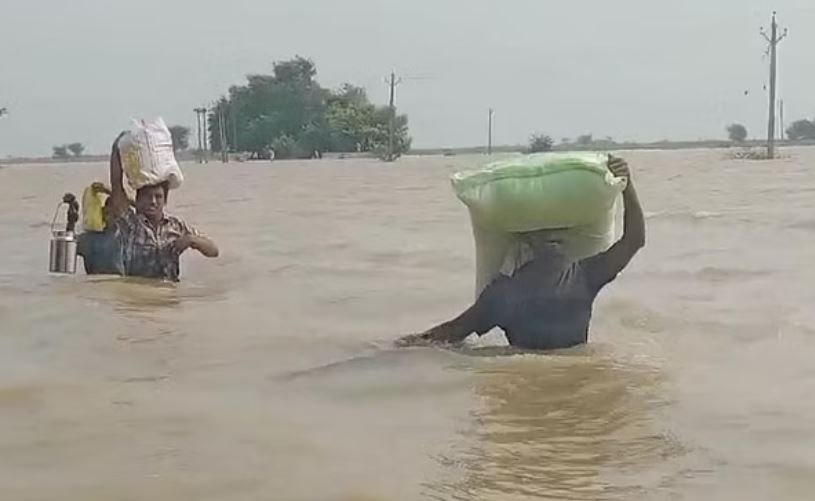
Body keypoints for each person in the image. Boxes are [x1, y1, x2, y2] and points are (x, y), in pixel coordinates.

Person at [397, 156, 645, 351]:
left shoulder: (504, 294)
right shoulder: (583, 276)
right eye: (549, 238)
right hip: (576, 378)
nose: (554, 243)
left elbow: (451, 333)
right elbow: (634, 240)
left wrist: (402, 345)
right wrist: (627, 185)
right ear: (525, 244)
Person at [81, 134, 219, 281]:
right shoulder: (129, 223)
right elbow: (117, 184)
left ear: (165, 200)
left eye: (158, 197)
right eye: (147, 197)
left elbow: (214, 251)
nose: (153, 201)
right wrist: (117, 148)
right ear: (138, 200)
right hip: (137, 293)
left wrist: (191, 240)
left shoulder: (176, 226)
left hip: (168, 294)